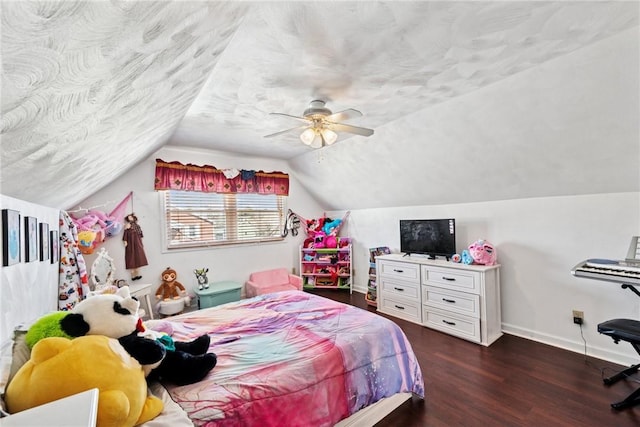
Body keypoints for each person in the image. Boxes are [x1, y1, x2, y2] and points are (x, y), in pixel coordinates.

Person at [123, 213, 148, 281]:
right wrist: (125, 241)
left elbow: (140, 234)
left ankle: (137, 274)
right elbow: (125, 233)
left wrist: (141, 242)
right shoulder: (128, 226)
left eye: (131, 217)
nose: (130, 218)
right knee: (131, 257)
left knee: (138, 256)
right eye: (129, 218)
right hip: (131, 244)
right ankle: (133, 275)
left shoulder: (137, 226)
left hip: (138, 242)